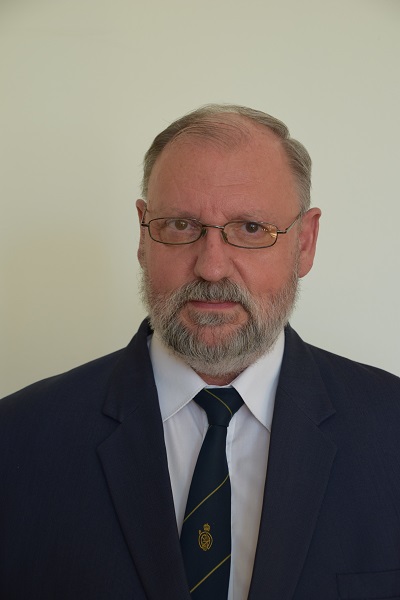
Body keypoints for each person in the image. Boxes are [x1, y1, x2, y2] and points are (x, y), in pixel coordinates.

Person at [1, 104, 400, 600]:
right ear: (143, 235)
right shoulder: (17, 441)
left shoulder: (391, 429)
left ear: (305, 242)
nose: (211, 268)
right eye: (181, 225)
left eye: (250, 228)